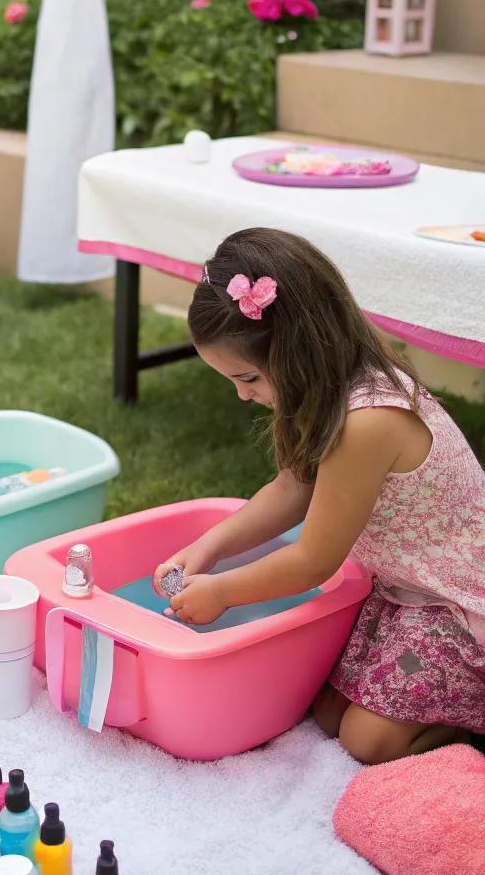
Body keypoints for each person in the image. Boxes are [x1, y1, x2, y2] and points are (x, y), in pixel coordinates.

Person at [153, 226, 485, 765]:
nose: (242, 395)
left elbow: (313, 559)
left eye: (247, 378)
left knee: (364, 740)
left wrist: (223, 592)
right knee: (327, 714)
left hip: (461, 603)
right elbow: (291, 489)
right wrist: (211, 547)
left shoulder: (367, 422)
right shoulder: (324, 391)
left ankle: (465, 737)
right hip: (404, 589)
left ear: (297, 354)